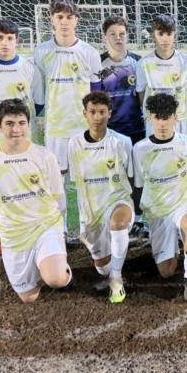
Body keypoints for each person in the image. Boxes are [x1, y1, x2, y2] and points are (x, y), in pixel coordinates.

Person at [0, 99, 73, 303]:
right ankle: (41, 264)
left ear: (29, 125)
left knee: (56, 279)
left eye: (21, 123)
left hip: (45, 226)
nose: (16, 129)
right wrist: (14, 214)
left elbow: (55, 193)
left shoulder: (45, 156)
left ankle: (58, 268)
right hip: (14, 234)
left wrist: (34, 212)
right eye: (9, 123)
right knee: (29, 298)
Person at [33, 0, 102, 234]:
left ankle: (87, 227)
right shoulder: (41, 51)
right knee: (57, 179)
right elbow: (38, 91)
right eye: (60, 17)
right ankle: (59, 229)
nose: (64, 22)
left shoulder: (89, 52)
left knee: (87, 179)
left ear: (77, 20)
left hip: (82, 128)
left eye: (69, 17)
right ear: (51, 19)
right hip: (56, 128)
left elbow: (96, 93)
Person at [132, 93, 187, 301]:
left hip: (185, 202)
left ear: (175, 117)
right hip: (158, 210)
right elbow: (139, 186)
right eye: (157, 117)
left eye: (166, 117)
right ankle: (178, 246)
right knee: (166, 272)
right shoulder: (139, 149)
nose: (162, 123)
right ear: (150, 118)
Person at [68, 91, 134, 304]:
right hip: (91, 212)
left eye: (102, 112)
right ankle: (113, 265)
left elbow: (131, 178)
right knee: (102, 268)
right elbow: (78, 182)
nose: (98, 117)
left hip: (118, 200)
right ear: (85, 114)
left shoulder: (122, 142)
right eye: (93, 112)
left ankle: (117, 279)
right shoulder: (74, 145)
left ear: (109, 114)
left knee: (118, 224)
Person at [97, 14, 148, 239]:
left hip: (136, 129)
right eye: (113, 34)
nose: (118, 38)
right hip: (111, 132)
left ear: (127, 36)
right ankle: (111, 219)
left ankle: (137, 221)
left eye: (122, 34)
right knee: (111, 176)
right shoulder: (98, 64)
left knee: (136, 177)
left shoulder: (139, 62)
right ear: (105, 37)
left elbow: (143, 95)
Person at [0, 19, 45, 153]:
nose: (5, 43)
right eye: (0, 37)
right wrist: (2, 121)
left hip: (26, 135)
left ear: (16, 41)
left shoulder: (30, 69)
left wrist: (21, 120)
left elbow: (39, 102)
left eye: (10, 38)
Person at [135, 14, 187, 137]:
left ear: (175, 36)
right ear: (153, 36)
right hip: (155, 121)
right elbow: (141, 93)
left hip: (180, 120)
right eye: (160, 34)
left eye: (169, 34)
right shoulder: (144, 63)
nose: (165, 39)